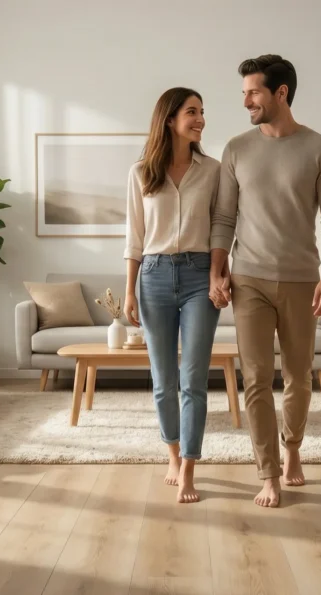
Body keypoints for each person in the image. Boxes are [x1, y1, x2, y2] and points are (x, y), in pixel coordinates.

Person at [209, 55, 321, 508]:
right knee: (255, 379)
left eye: (253, 92)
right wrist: (217, 267)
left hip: (301, 280)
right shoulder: (236, 149)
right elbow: (224, 217)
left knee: (298, 377)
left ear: (280, 93)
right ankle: (267, 473)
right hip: (247, 278)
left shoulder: (320, 148)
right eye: (245, 92)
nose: (245, 100)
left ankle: (292, 450)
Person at [124, 87, 222, 504]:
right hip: (154, 275)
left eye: (202, 112)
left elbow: (222, 228)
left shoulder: (215, 171)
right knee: (164, 381)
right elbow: (134, 237)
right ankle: (172, 454)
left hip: (201, 276)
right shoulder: (141, 172)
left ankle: (189, 470)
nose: (200, 119)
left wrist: (220, 274)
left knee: (193, 379)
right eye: (192, 112)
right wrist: (129, 291)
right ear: (169, 119)